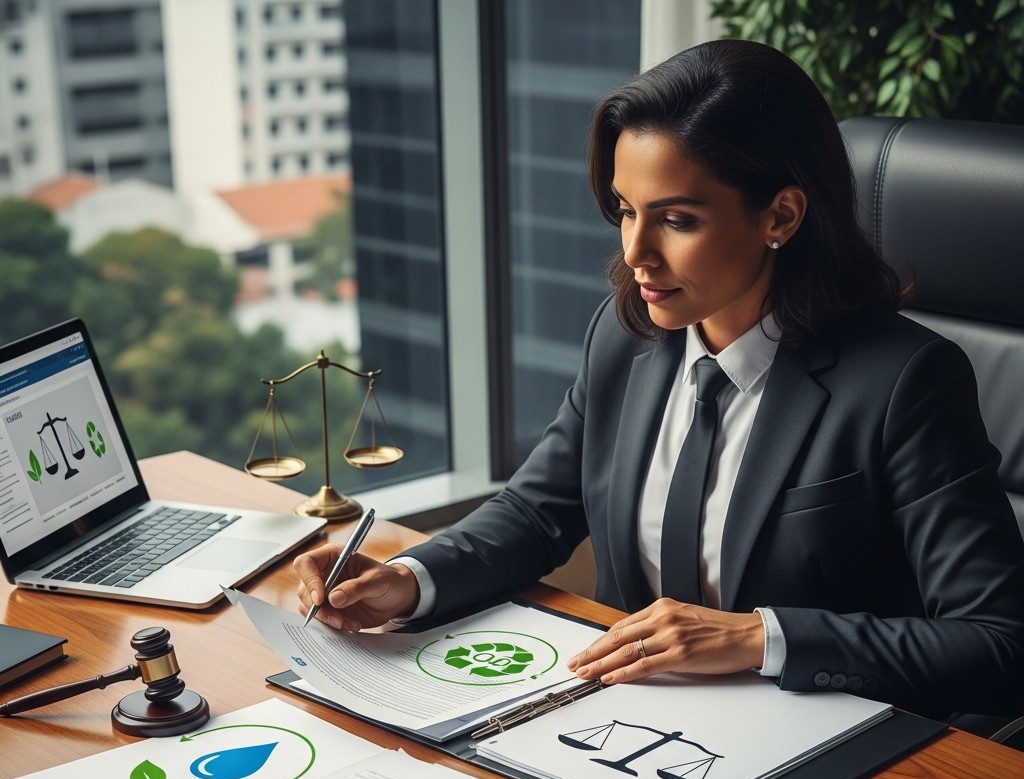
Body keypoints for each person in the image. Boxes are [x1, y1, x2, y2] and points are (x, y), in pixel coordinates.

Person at [295, 39, 1024, 721]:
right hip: (623, 719)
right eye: (624, 211)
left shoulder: (905, 382)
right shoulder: (624, 336)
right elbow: (537, 512)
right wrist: (408, 579)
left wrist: (755, 637)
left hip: (813, 742)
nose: (636, 253)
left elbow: (999, 642)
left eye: (675, 219)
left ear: (782, 214)